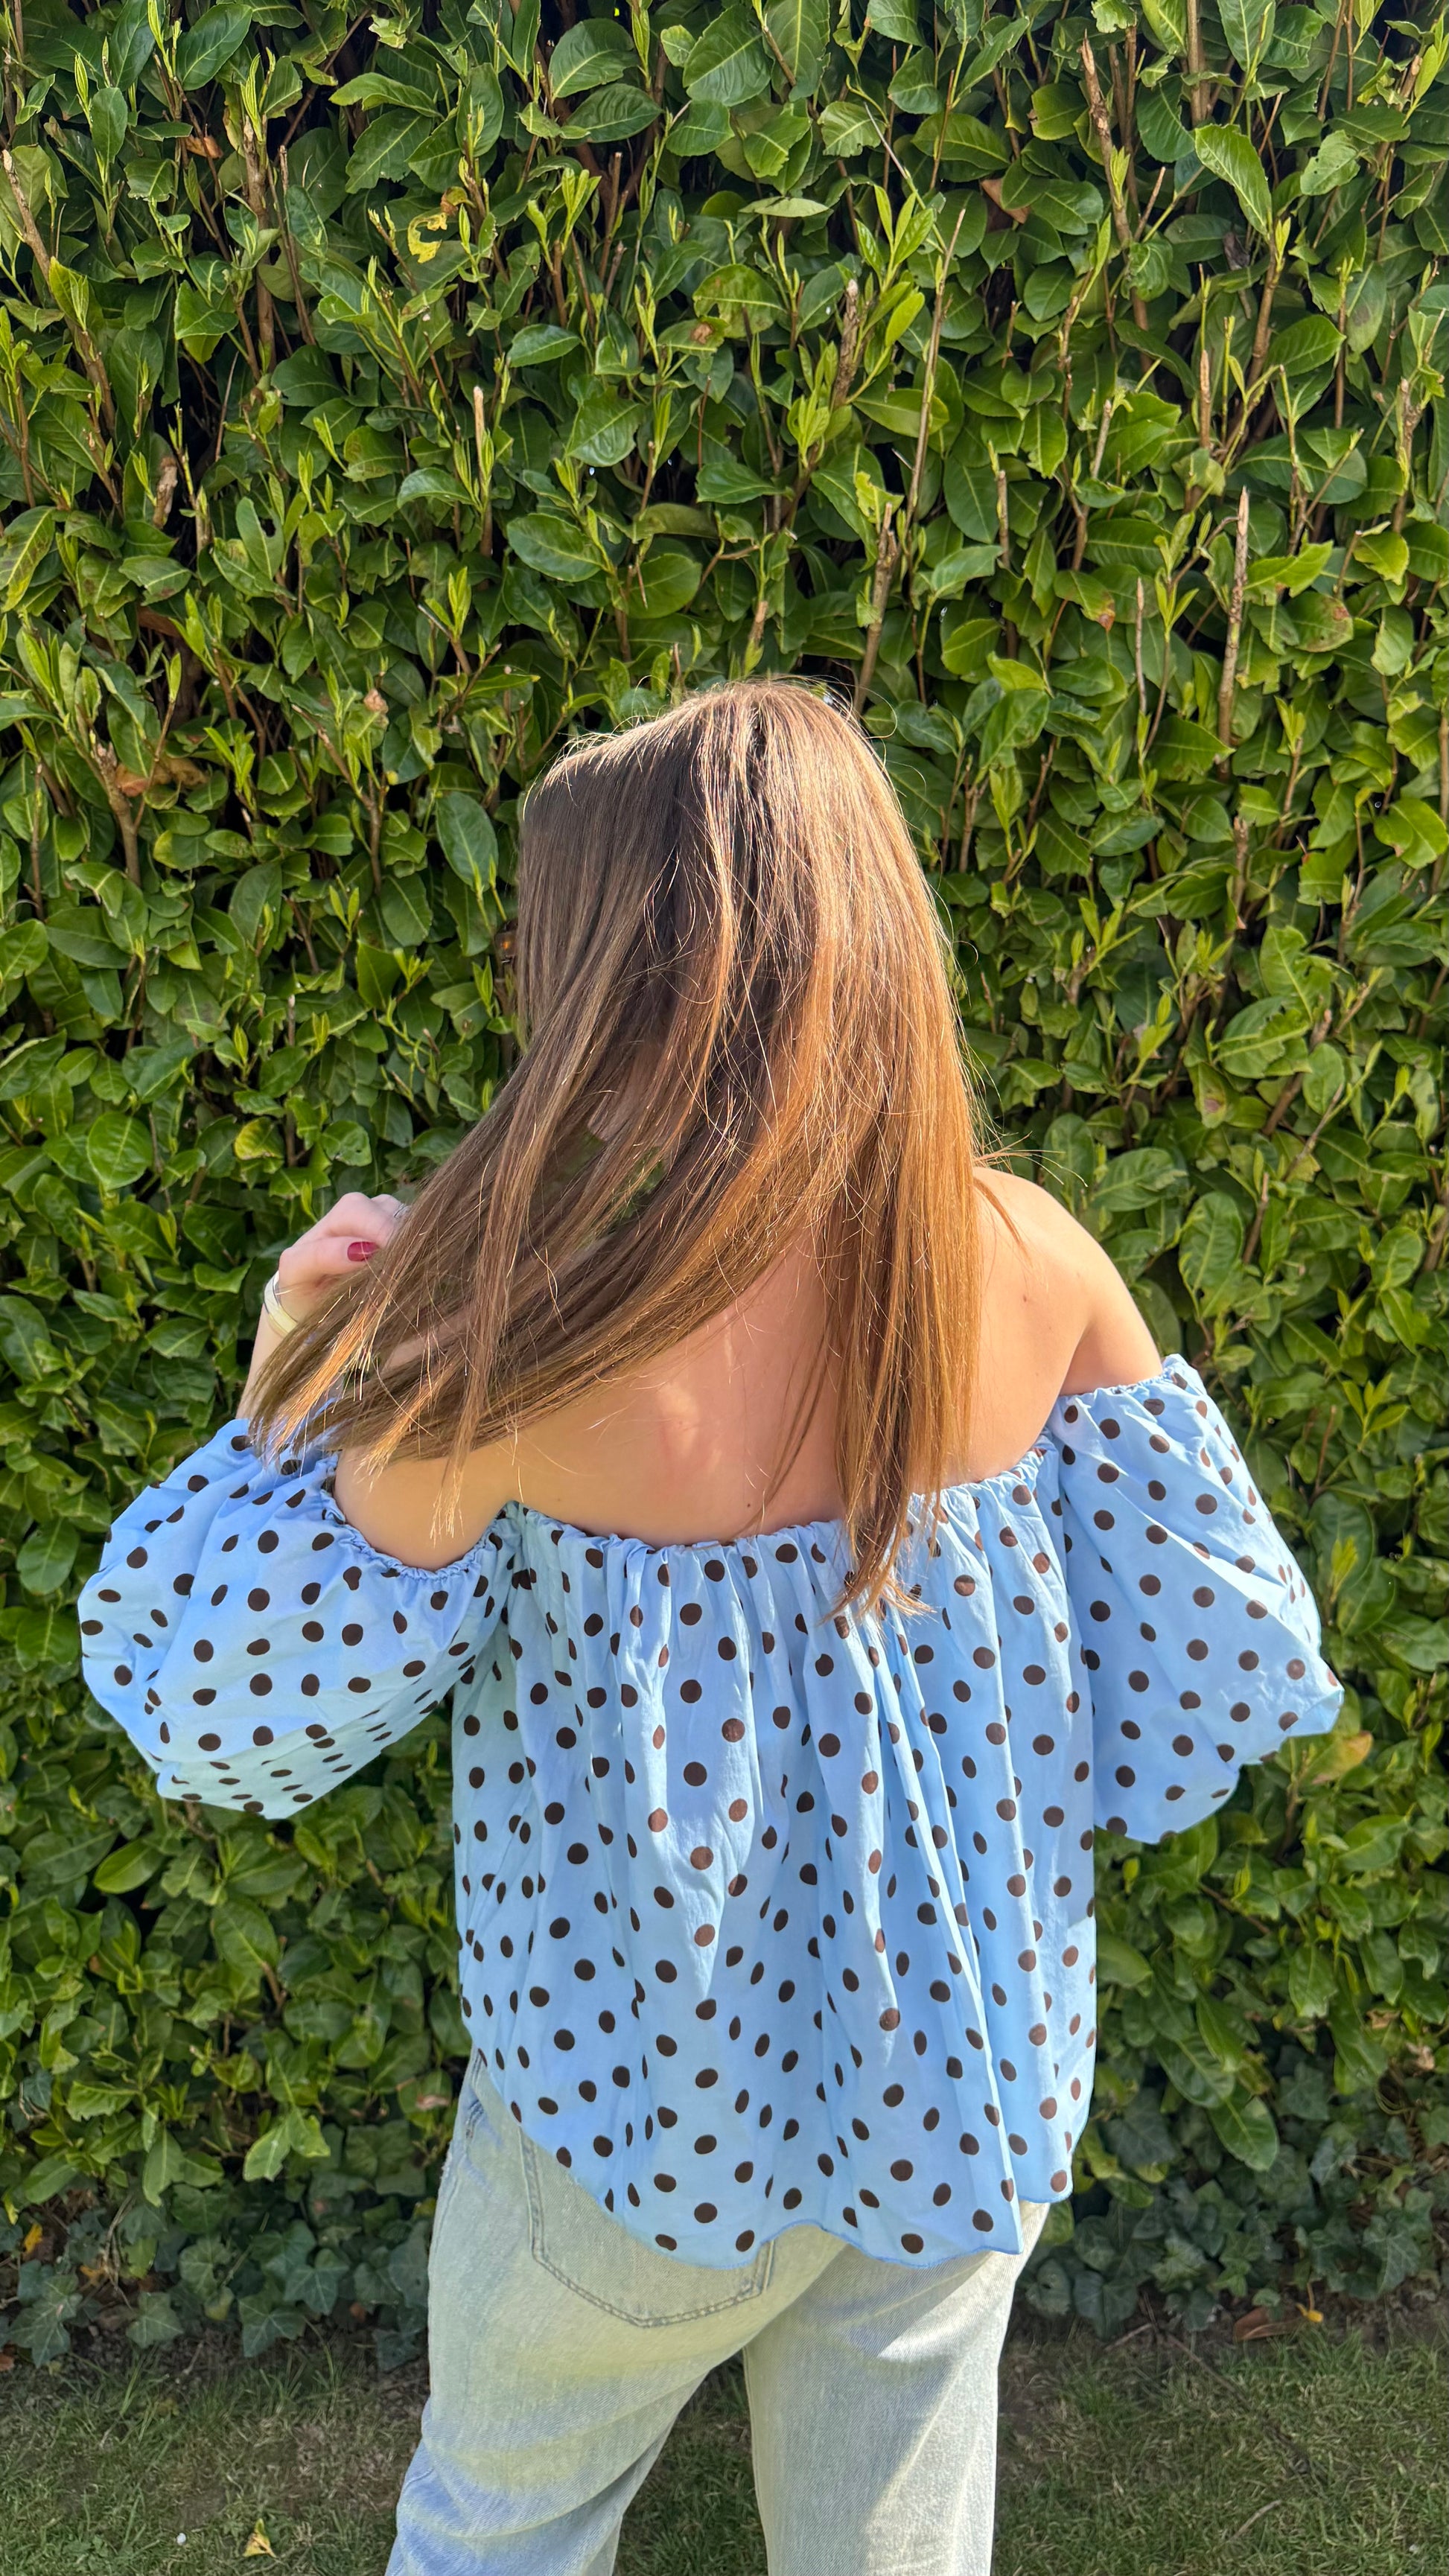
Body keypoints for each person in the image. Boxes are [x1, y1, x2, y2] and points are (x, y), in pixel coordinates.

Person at [80, 681, 1340, 2576]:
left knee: (505, 2519)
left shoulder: (522, 1347)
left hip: (634, 2121)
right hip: (957, 2082)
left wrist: (293, 1371)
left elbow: (219, 1701)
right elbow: (1203, 1659)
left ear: (610, 984)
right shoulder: (1031, 1252)